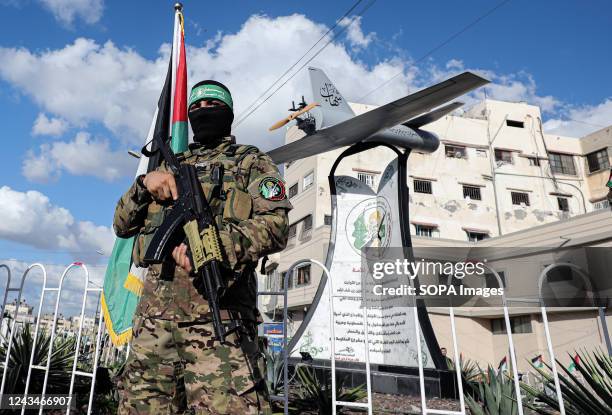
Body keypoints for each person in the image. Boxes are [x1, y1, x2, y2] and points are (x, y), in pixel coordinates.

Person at [113, 80, 292, 414]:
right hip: (154, 323)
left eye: (212, 104)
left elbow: (276, 225)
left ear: (228, 113)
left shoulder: (250, 161)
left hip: (219, 319)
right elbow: (121, 226)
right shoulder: (167, 165)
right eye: (195, 107)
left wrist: (212, 247)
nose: (203, 111)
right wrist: (143, 184)